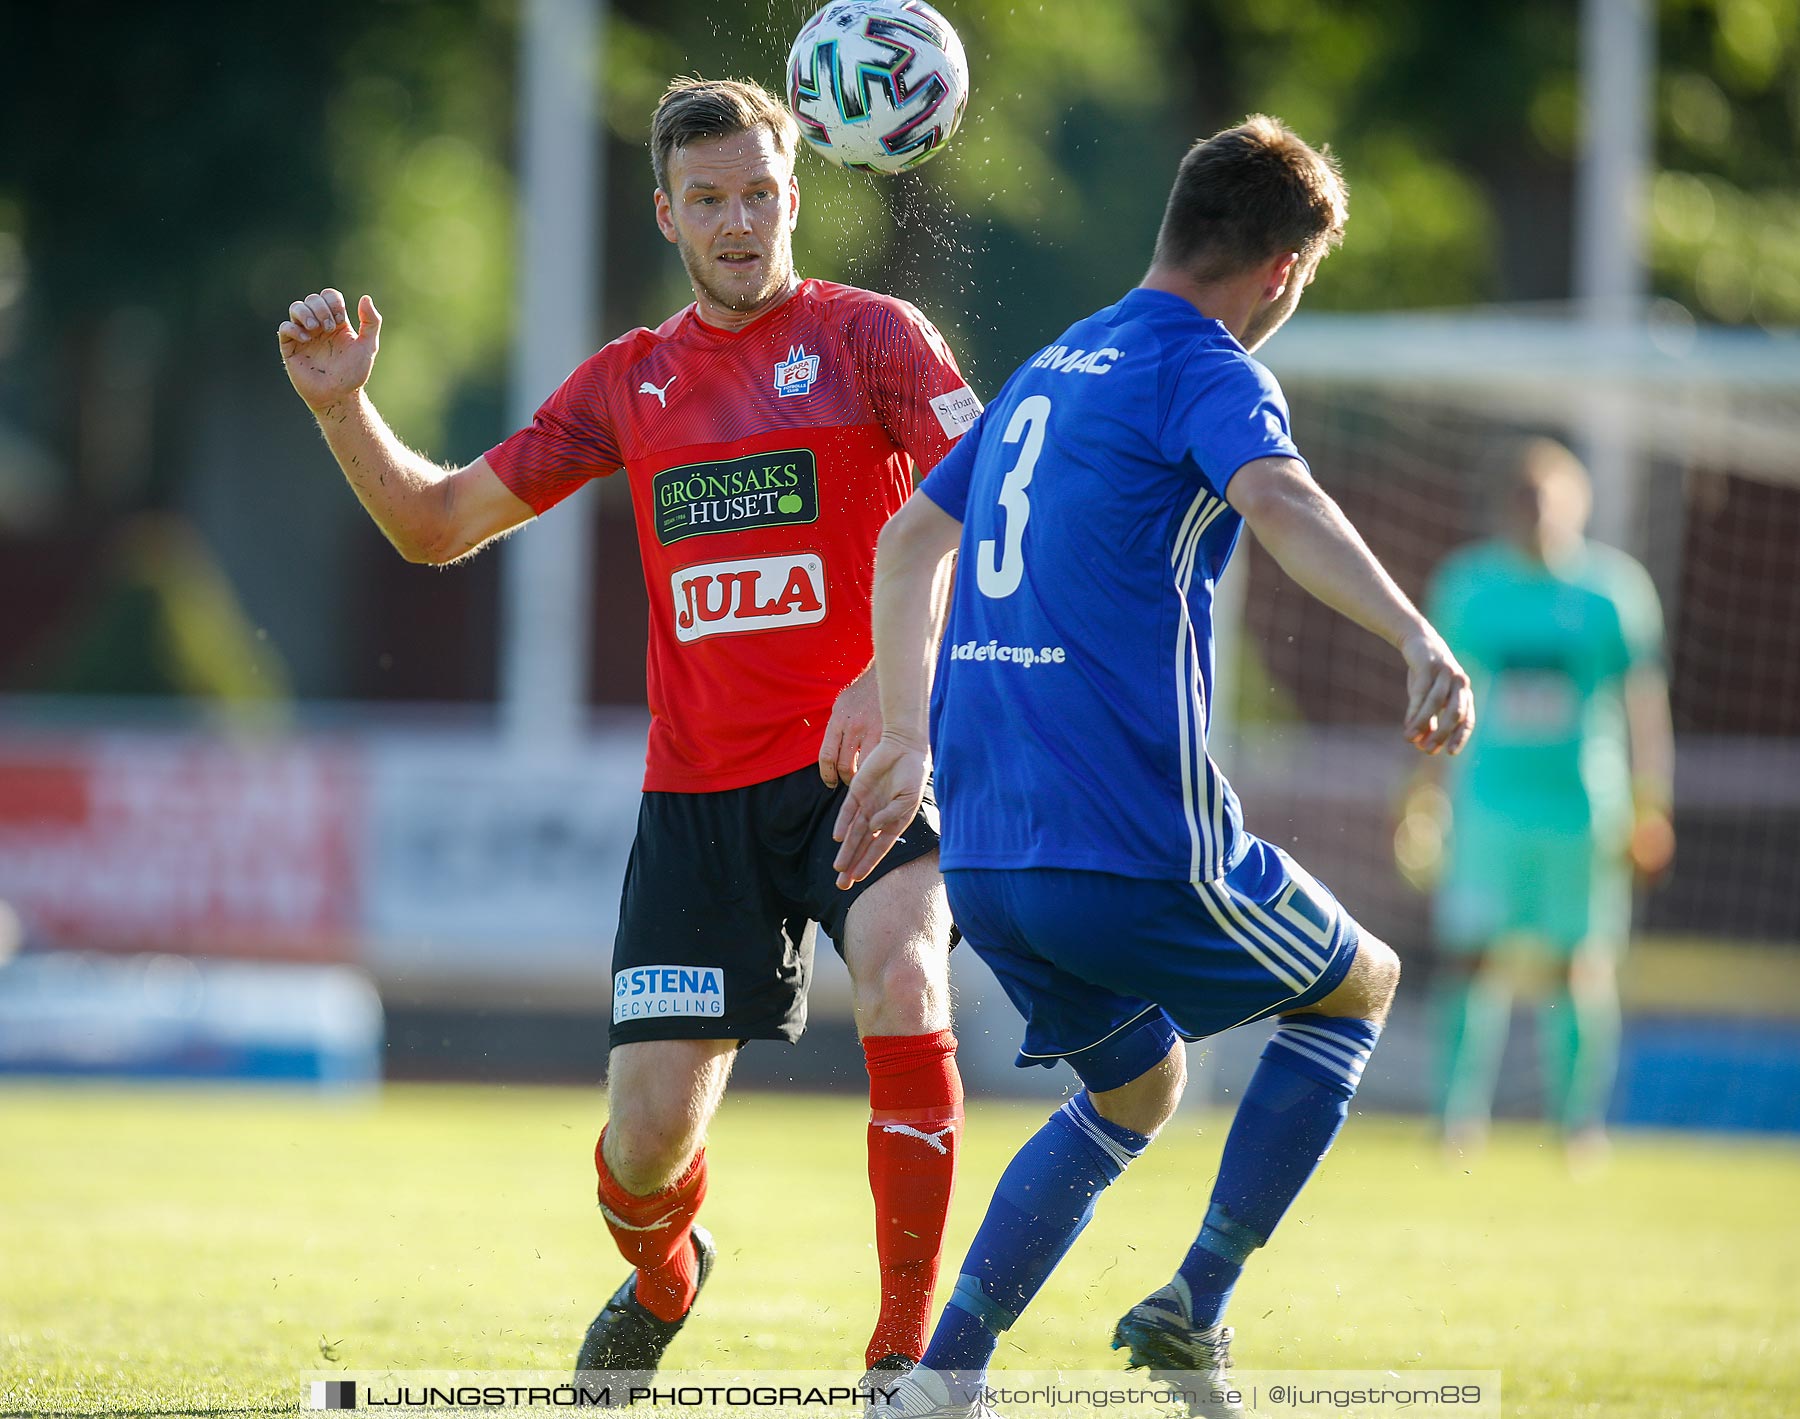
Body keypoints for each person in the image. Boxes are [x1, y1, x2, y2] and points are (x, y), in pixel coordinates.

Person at [278, 77, 981, 1386]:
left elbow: (997, 502)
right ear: (666, 213)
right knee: (643, 1143)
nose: (737, 221)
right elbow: (436, 524)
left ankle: (905, 1357)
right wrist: (340, 409)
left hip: (859, 766)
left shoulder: (875, 339)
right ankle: (668, 1268)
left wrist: (899, 683)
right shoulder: (630, 382)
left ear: (794, 193)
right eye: (706, 199)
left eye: (759, 194)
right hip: (699, 800)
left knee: (907, 971)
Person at [833, 115, 1475, 1419]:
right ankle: (1196, 1300)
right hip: (1129, 838)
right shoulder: (1204, 362)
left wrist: (907, 731)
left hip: (995, 854)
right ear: (1283, 269)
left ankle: (943, 1373)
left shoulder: (1054, 364)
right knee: (1360, 986)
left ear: (1174, 222)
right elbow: (1283, 502)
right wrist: (1415, 634)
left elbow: (907, 539)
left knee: (1137, 1081)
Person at [1416, 439, 1673, 1162]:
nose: (1539, 518)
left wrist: (1652, 804)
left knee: (1579, 965)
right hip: (1489, 805)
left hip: (1583, 808)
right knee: (1472, 958)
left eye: (1551, 503)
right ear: (1504, 508)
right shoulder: (1468, 587)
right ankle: (1455, 1120)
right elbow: (1432, 697)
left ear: (1579, 506)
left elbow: (1644, 706)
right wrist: (1423, 794)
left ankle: (1578, 1126)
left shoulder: (1612, 592)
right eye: (1525, 502)